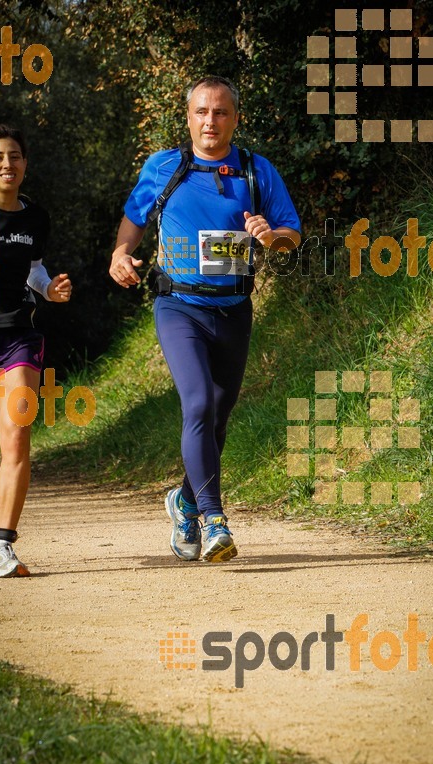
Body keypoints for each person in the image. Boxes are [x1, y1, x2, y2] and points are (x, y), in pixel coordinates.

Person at [109, 76, 300, 563]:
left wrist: (269, 236)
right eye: (201, 111)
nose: (210, 121)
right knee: (197, 404)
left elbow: (291, 236)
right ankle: (214, 520)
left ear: (235, 118)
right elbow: (134, 217)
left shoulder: (257, 172)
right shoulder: (165, 167)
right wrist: (120, 253)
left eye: (220, 112)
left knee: (218, 416)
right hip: (179, 306)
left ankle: (185, 502)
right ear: (188, 116)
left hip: (234, 309)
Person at [0, 122, 72, 577]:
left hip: (17, 333)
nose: (7, 164)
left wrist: (49, 289)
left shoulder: (34, 216)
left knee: (16, 436)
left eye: (14, 156)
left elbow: (34, 270)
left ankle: (2, 547)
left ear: (25, 165)